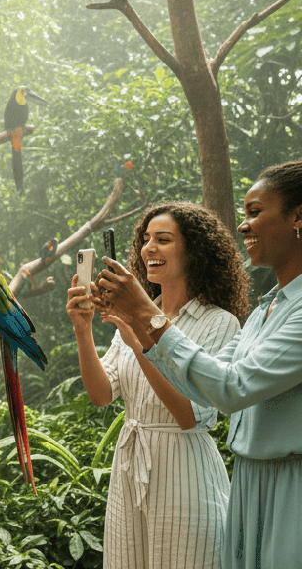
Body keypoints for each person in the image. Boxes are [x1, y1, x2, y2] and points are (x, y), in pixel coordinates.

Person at [95, 161, 302, 569]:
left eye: (256, 212)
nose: (243, 226)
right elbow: (207, 379)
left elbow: (228, 389)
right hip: (247, 481)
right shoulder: (265, 311)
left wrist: (144, 316)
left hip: (289, 484)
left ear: (298, 217)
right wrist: (128, 322)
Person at [67, 201, 248, 569]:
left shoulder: (220, 323)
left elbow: (188, 415)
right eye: (146, 239)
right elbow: (102, 395)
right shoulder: (135, 312)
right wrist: (83, 331)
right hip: (130, 466)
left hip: (185, 471)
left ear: (195, 252)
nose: (149, 248)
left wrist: (138, 337)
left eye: (163, 239)